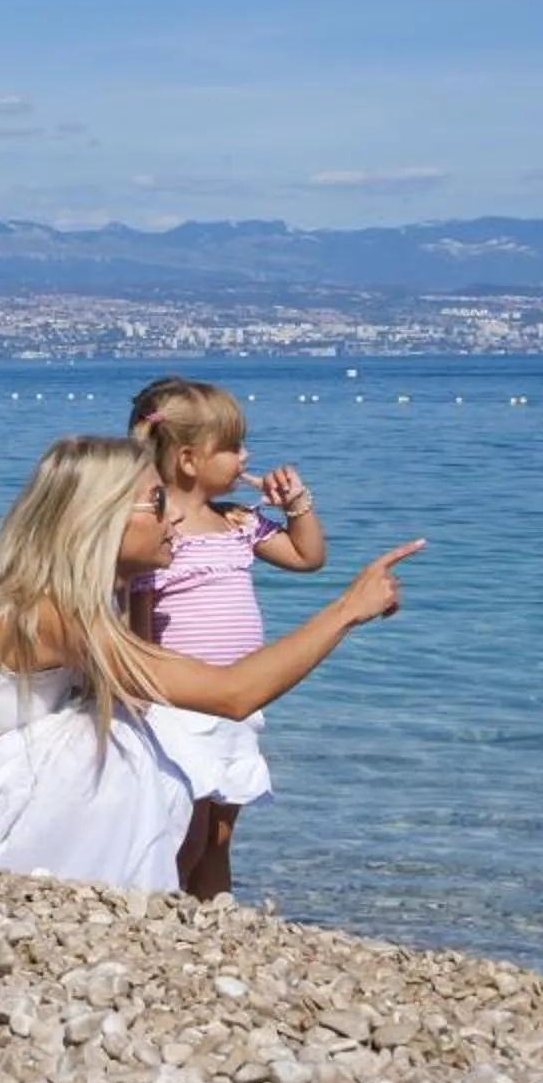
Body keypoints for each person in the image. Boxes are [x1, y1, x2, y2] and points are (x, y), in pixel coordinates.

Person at [0, 435, 418, 891]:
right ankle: (116, 895)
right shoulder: (44, 613)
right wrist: (347, 608)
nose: (177, 517)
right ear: (102, 517)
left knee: (144, 726)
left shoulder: (63, 598)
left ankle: (138, 890)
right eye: (158, 502)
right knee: (140, 739)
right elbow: (232, 693)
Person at [127, 377, 327, 900]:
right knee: (185, 832)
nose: (246, 456)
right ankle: (164, 914)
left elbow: (308, 558)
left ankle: (215, 921)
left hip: (237, 704)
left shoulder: (238, 522)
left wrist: (296, 504)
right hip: (179, 707)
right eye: (234, 447)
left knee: (219, 835)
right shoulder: (157, 539)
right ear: (190, 459)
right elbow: (137, 631)